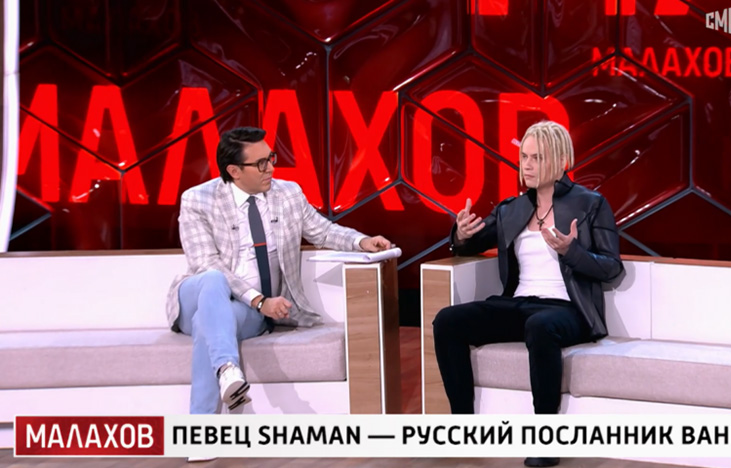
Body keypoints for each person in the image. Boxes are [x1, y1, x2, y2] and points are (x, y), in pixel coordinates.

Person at [432, 121, 623, 467]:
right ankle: (462, 426)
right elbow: (469, 244)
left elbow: (611, 267)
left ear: (561, 160)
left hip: (568, 310)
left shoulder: (591, 204)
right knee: (448, 321)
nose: (528, 165)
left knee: (541, 325)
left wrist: (571, 251)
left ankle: (545, 438)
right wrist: (460, 234)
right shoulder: (512, 208)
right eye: (524, 157)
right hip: (519, 304)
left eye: (538, 157)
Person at [165, 126, 392, 415]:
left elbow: (323, 231)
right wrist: (261, 301)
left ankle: (210, 404)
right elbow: (205, 263)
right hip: (197, 296)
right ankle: (226, 369)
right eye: (261, 164)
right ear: (234, 171)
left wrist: (361, 241)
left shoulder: (288, 194)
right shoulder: (198, 199)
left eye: (271, 158)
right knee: (212, 279)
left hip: (244, 311)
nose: (271, 168)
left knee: (207, 325)